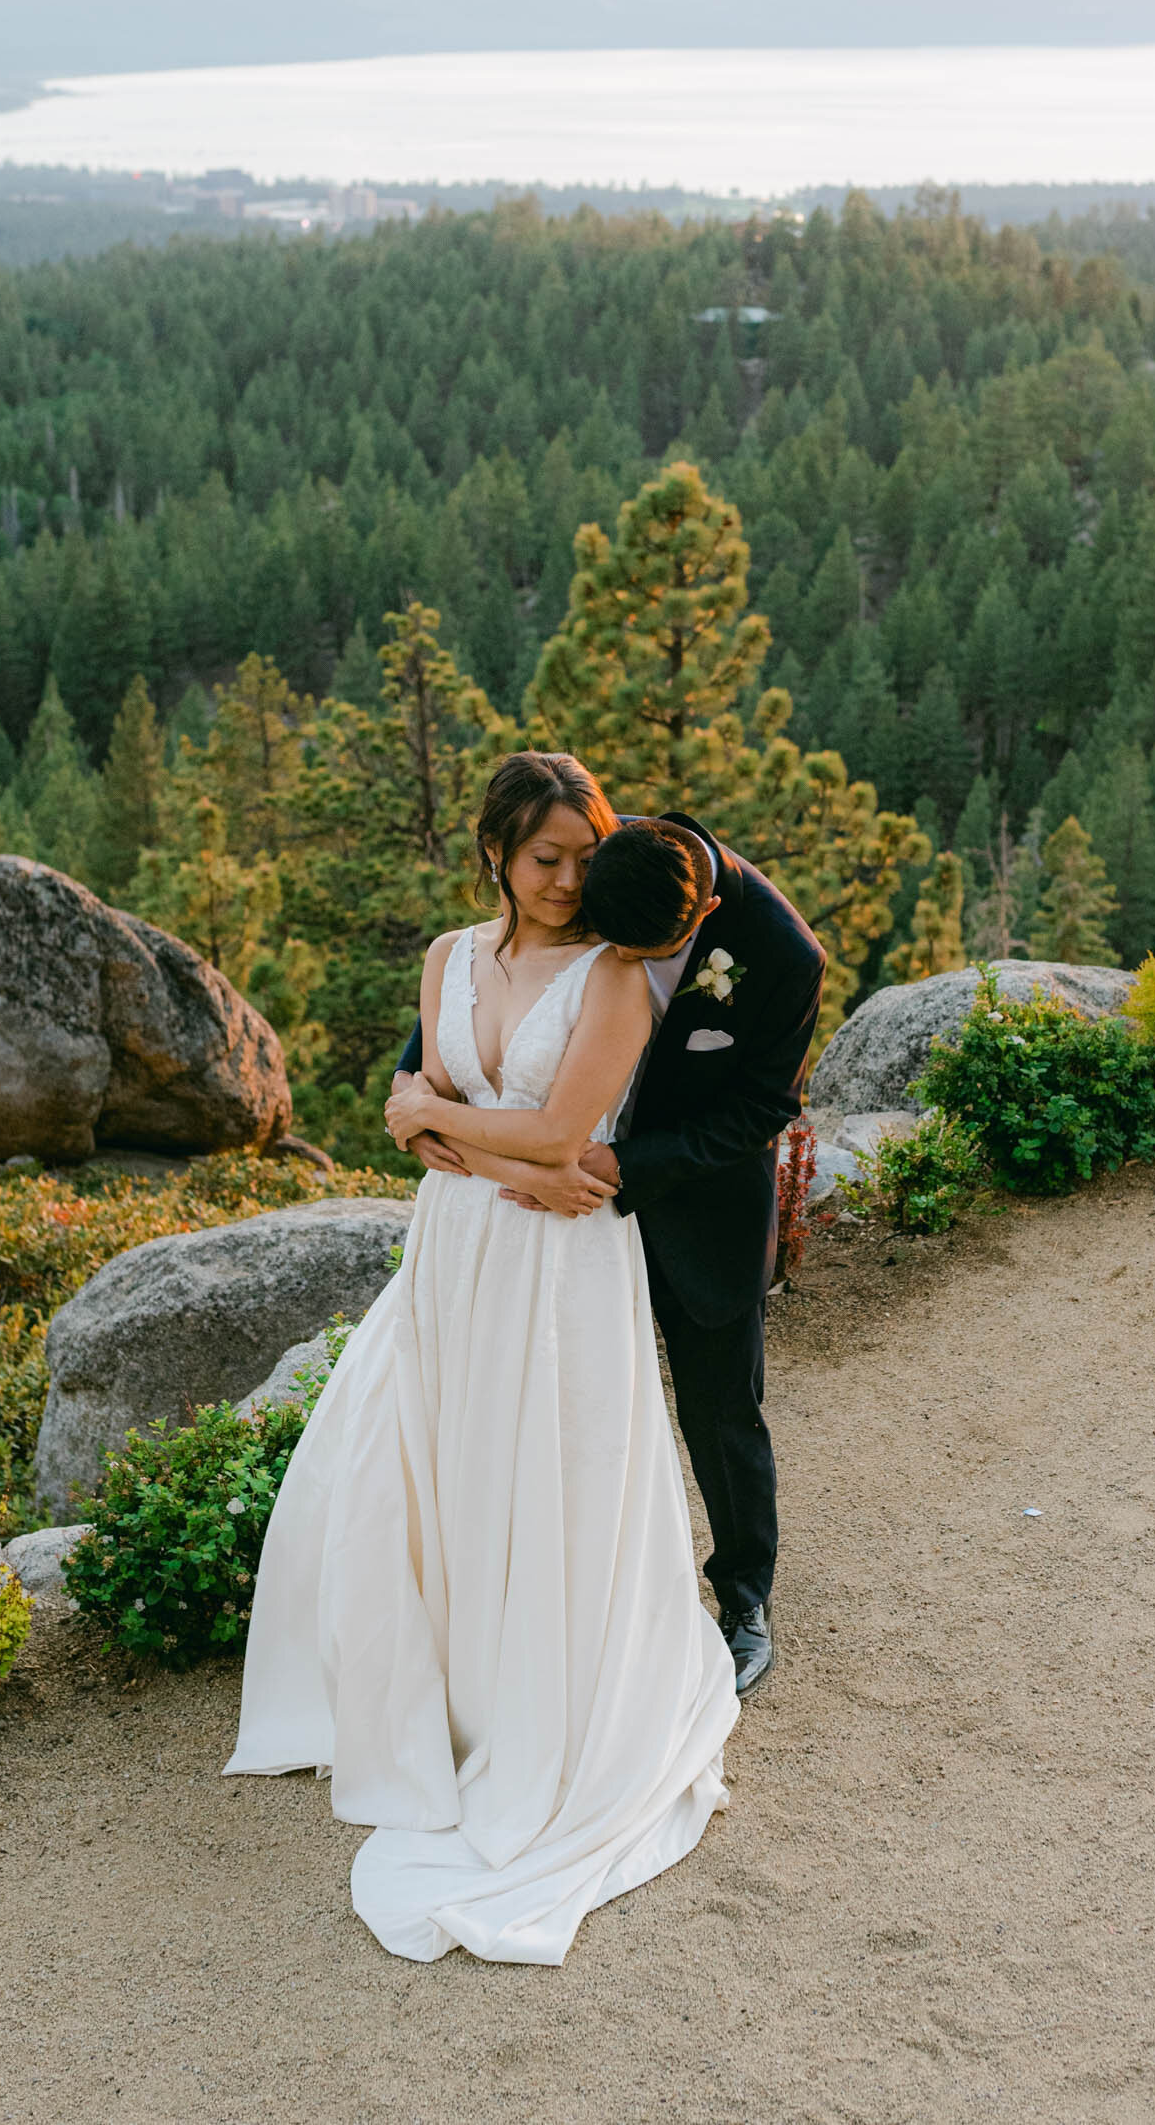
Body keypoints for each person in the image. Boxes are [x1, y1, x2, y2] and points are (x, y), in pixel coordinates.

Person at [225, 751, 740, 1966]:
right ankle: (446, 1697)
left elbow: (563, 1135)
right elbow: (496, 1155)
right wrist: (471, 1146)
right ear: (496, 855)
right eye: (542, 858)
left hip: (562, 1273)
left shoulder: (618, 975)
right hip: (455, 1250)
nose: (564, 880)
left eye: (580, 857)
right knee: (432, 1465)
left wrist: (434, 1117)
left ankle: (542, 1710)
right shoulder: (448, 958)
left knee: (546, 1474)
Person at [398, 806, 826, 1700]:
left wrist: (622, 1161)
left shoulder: (784, 955)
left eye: (649, 951)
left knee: (722, 1408)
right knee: (556, 1417)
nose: (624, 964)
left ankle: (744, 1601)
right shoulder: (592, 851)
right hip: (544, 1218)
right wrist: (418, 1095)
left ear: (703, 910)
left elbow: (759, 1110)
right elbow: (492, 976)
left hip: (689, 1203)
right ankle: (546, 1611)